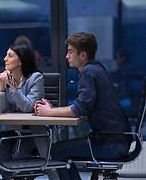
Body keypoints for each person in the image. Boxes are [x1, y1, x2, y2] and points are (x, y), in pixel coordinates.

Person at [34, 32, 132, 180]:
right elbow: (80, 106)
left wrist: (49, 112)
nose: (67, 56)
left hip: (110, 144)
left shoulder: (88, 72)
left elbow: (79, 110)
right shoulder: (98, 68)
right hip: (118, 140)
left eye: (70, 52)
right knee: (60, 150)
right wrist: (52, 110)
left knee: (56, 152)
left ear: (83, 55)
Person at [0, 43, 44, 179]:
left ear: (21, 61)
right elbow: (1, 108)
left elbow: (28, 107)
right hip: (11, 132)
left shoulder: (36, 78)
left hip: (32, 133)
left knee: (19, 156)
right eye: (6, 55)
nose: (5, 59)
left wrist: (13, 87)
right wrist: (1, 87)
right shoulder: (7, 78)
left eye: (10, 56)